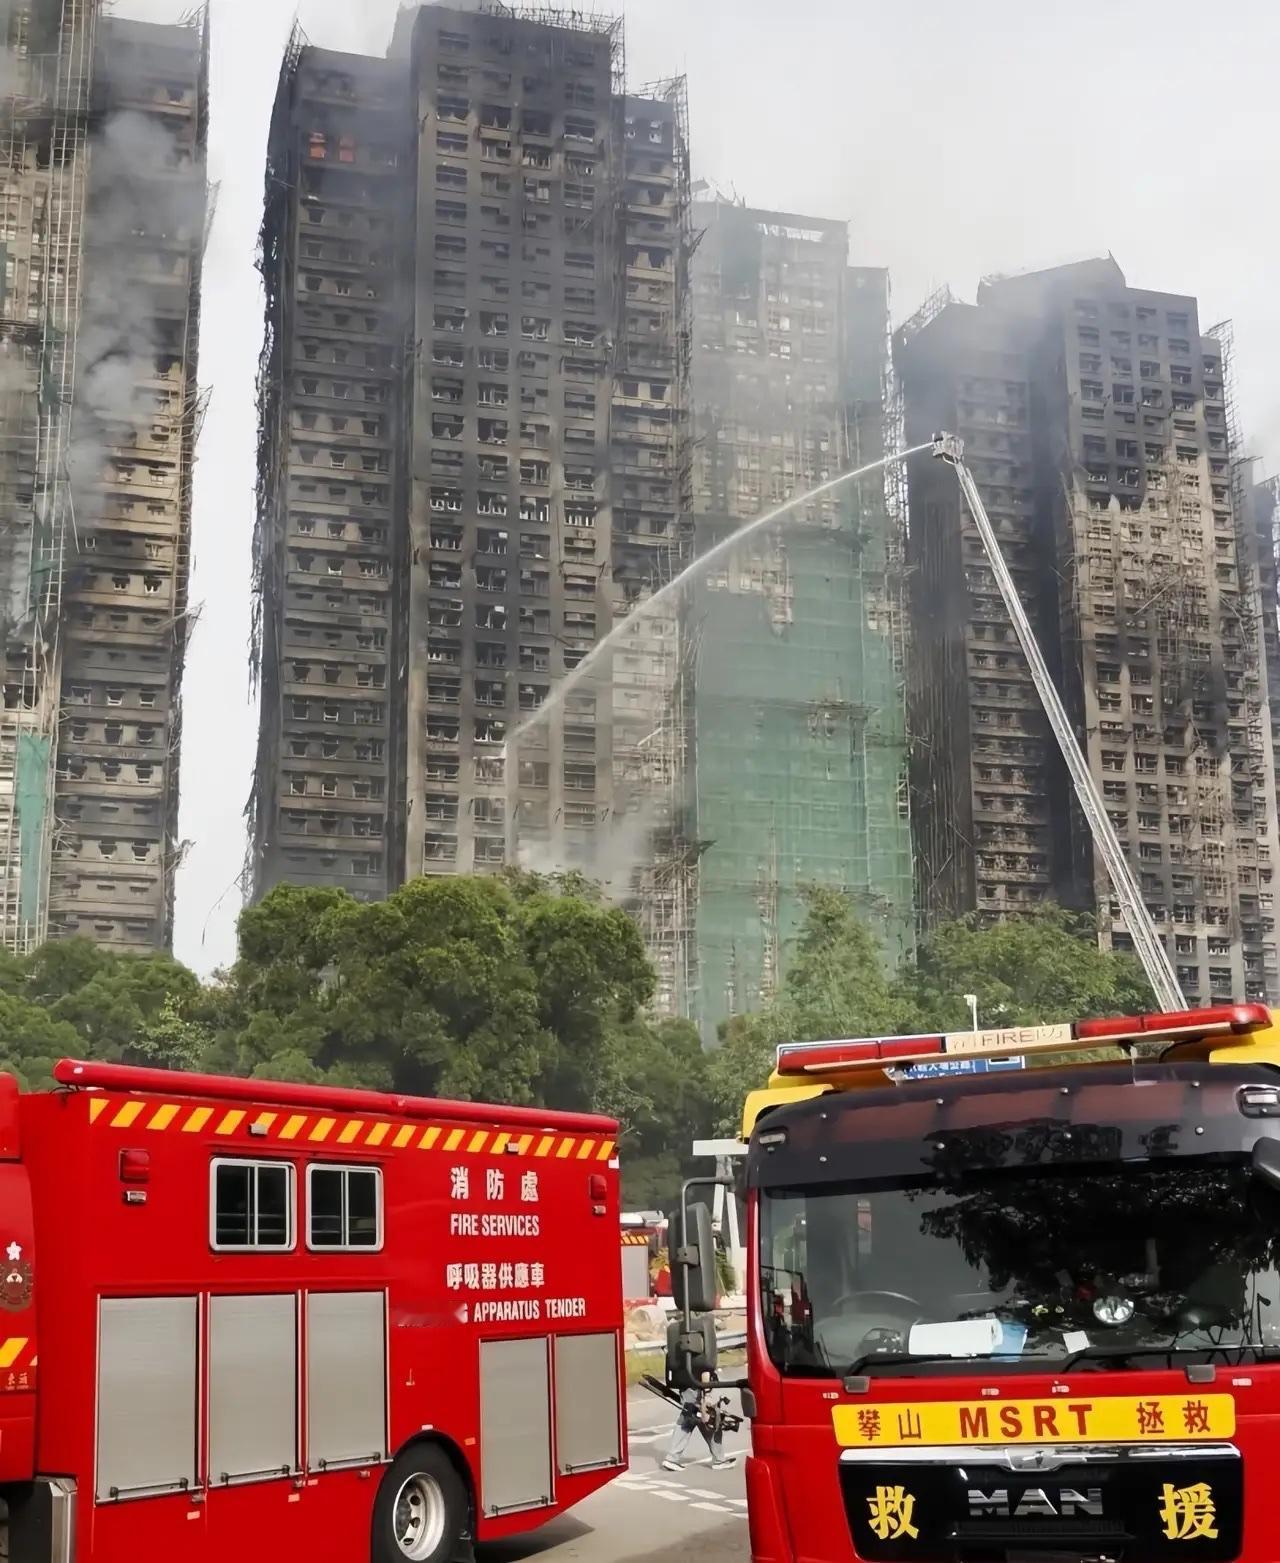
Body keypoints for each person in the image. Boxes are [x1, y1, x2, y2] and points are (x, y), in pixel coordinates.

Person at [661, 1375, 736, 1472]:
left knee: (692, 1418)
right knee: (709, 1419)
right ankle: (719, 1459)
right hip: (697, 1388)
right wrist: (707, 1396)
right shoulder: (700, 1364)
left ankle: (672, 1458)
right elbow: (704, 1371)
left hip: (686, 1386)